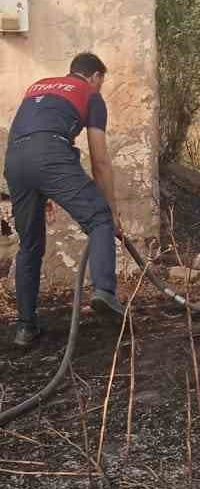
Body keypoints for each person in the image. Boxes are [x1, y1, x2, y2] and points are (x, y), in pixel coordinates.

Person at [3, 52, 124, 349]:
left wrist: (42, 188)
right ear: (95, 76)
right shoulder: (91, 95)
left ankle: (25, 327)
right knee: (99, 220)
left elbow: (29, 130)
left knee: (30, 245)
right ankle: (105, 292)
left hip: (15, 159)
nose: (100, 87)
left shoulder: (38, 86)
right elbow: (100, 161)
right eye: (101, 81)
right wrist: (112, 210)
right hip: (50, 154)